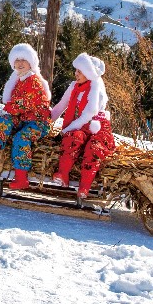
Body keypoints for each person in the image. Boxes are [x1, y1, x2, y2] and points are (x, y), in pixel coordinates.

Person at [0, 43, 52, 190]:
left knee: (21, 138)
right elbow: (15, 106)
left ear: (31, 63)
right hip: (23, 119)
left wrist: (7, 110)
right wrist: (2, 114)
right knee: (4, 120)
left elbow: (23, 104)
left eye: (23, 60)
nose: (20, 63)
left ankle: (21, 177)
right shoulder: (19, 81)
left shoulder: (33, 81)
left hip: (38, 122)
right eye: (16, 60)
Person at [49, 52, 113, 199]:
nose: (76, 74)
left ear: (88, 73)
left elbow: (89, 113)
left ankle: (84, 187)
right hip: (81, 125)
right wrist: (47, 121)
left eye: (80, 71)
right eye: (76, 70)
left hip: (97, 125)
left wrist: (67, 129)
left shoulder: (95, 85)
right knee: (73, 138)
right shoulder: (74, 86)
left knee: (94, 148)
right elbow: (60, 107)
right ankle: (62, 174)